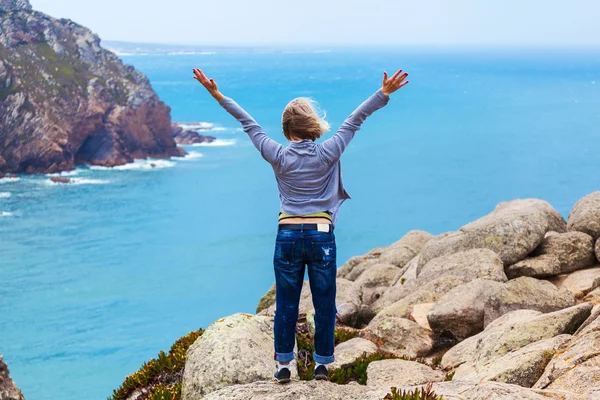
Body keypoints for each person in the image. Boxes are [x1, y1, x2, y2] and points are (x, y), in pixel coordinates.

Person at [192, 67, 409, 383]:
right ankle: (322, 364)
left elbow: (247, 122)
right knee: (323, 304)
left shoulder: (277, 155)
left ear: (285, 128)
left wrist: (217, 94)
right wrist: (383, 93)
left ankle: (283, 365)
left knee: (286, 305)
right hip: (321, 236)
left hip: (288, 235)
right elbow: (354, 120)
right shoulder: (327, 152)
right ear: (313, 127)